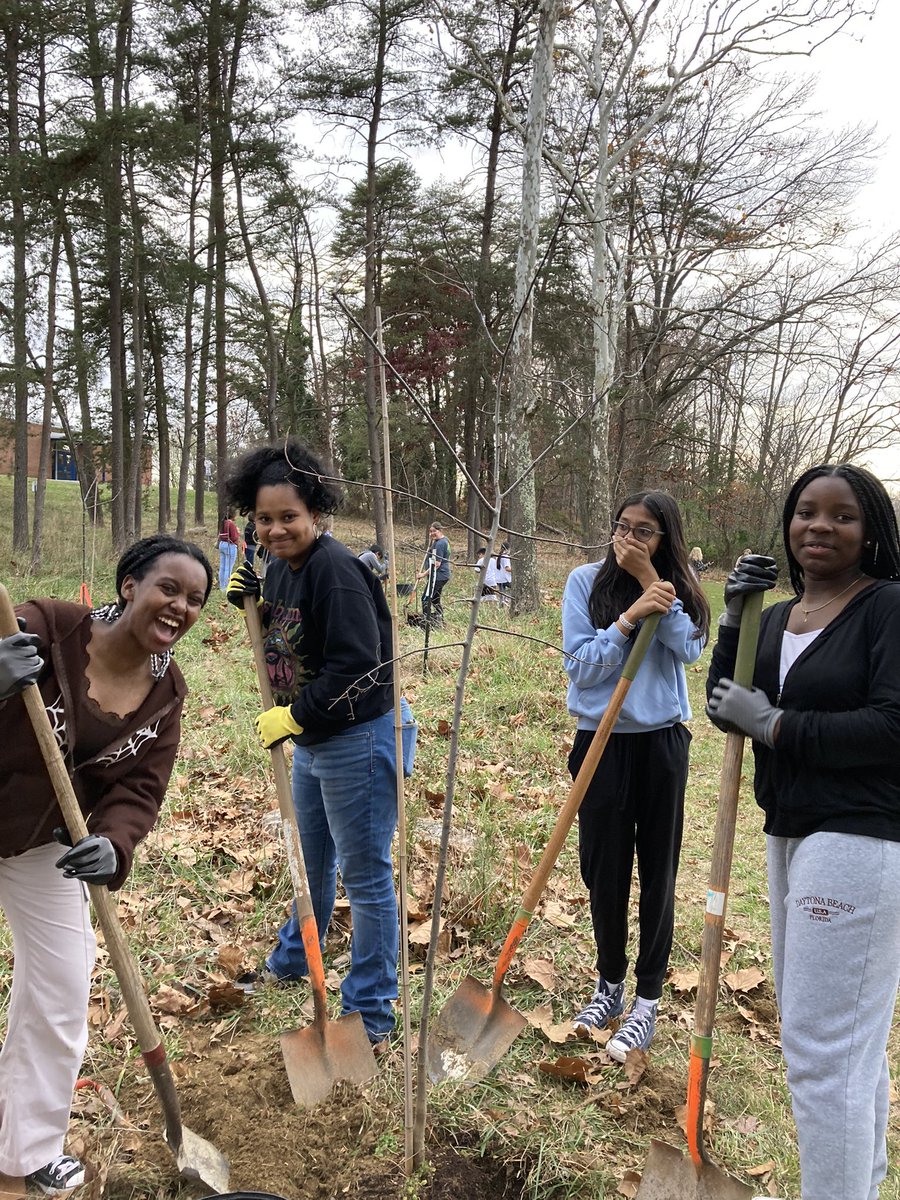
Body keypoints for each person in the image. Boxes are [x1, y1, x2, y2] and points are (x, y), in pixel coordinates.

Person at [706, 463, 900, 1200]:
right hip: (790, 832)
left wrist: (781, 725)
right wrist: (735, 619)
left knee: (821, 1057)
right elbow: (727, 707)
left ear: (870, 530)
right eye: (806, 512)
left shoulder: (886, 607)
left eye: (842, 516)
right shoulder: (781, 616)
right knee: (846, 1050)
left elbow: (892, 726)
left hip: (861, 838)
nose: (820, 526)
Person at [0, 535, 212, 1194]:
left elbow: (140, 789)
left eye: (195, 599)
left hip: (43, 846)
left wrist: (114, 843)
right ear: (129, 586)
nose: (180, 606)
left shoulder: (166, 695)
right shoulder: (43, 626)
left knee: (64, 982)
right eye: (169, 588)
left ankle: (24, 1151)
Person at [224, 440, 402, 1050]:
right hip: (313, 737)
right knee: (311, 863)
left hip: (358, 737)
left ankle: (371, 1008)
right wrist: (255, 600)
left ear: (317, 512)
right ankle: (296, 959)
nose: (275, 530)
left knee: (366, 874)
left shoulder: (336, 570)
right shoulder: (280, 565)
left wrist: (292, 716)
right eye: (264, 519)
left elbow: (357, 665)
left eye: (288, 518)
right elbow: (290, 635)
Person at [562, 491, 710, 1060]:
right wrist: (627, 619)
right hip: (599, 742)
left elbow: (690, 650)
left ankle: (647, 999)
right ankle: (610, 982)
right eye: (622, 527)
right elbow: (581, 669)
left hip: (660, 743)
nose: (628, 539)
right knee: (602, 869)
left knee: (658, 870)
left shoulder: (680, 591)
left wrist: (656, 586)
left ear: (665, 540)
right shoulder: (584, 584)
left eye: (644, 531)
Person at [415, 522, 451, 624]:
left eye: (434, 531)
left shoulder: (440, 544)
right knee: (435, 599)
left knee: (426, 598)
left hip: (438, 576)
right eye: (430, 532)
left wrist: (423, 574)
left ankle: (427, 623)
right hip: (442, 575)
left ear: (440, 530)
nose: (432, 533)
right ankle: (440, 620)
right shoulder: (442, 541)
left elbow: (436, 564)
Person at [217, 507, 241, 590]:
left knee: (222, 566)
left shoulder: (223, 522)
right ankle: (226, 586)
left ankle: (222, 586)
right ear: (234, 514)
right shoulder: (231, 524)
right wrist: (238, 533)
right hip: (229, 545)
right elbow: (234, 537)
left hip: (222, 544)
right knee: (228, 567)